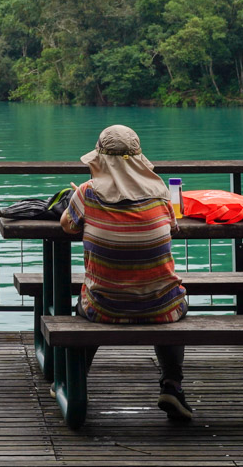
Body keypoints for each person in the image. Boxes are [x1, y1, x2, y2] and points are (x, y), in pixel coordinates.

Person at [59, 124, 193, 422]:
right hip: (162, 307)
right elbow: (170, 226)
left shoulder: (87, 193)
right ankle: (172, 384)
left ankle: (76, 384)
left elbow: (67, 225)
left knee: (87, 300)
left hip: (104, 307)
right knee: (169, 295)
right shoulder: (160, 194)